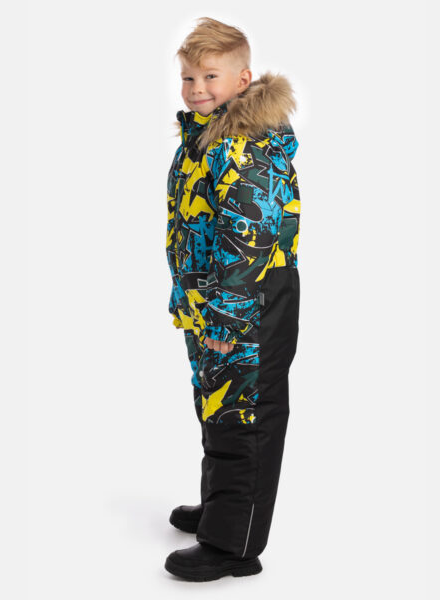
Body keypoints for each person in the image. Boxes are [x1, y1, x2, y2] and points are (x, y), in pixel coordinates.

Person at [164, 17, 301, 582]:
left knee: (244, 416)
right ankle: (223, 508)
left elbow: (249, 240)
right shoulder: (206, 139)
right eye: (188, 77)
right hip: (214, 304)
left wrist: (225, 317)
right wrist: (194, 302)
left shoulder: (244, 148)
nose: (197, 89)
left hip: (247, 305)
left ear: (243, 79)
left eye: (210, 76)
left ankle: (234, 544)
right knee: (217, 406)